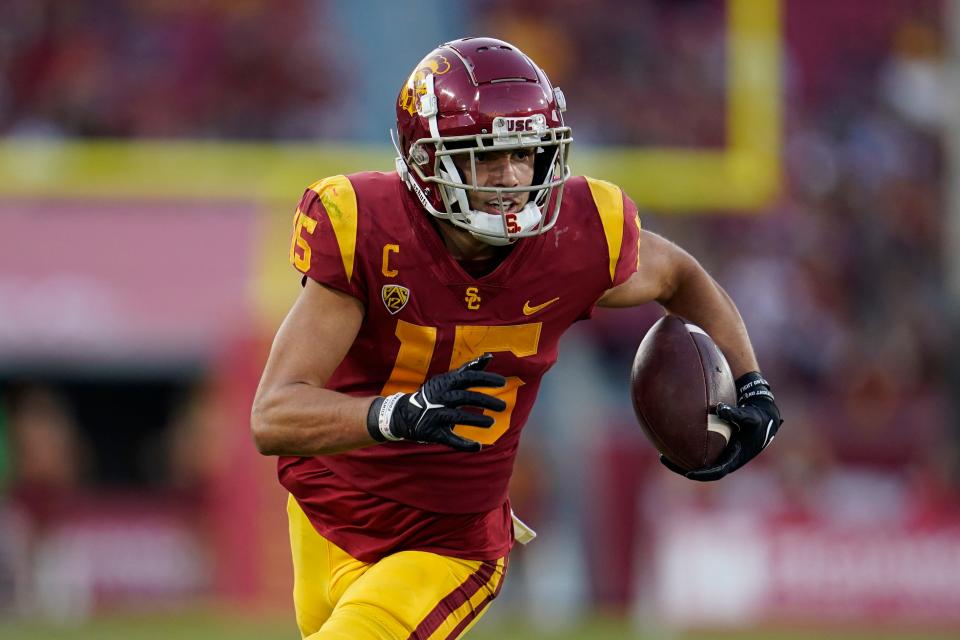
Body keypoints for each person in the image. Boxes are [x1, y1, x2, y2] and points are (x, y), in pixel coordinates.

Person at [251, 36, 783, 640]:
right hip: (324, 518)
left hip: (448, 545)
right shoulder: (367, 229)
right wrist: (399, 415)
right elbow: (273, 415)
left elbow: (681, 275)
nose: (510, 178)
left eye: (525, 154)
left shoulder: (578, 237)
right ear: (428, 161)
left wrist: (752, 383)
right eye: (486, 157)